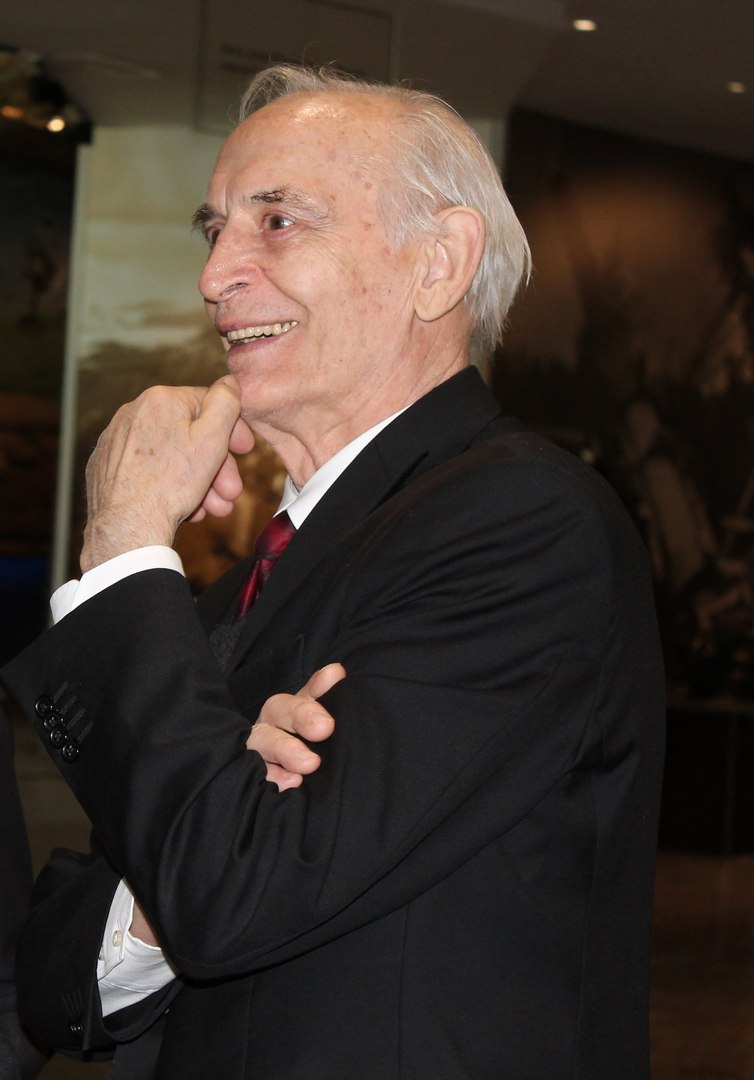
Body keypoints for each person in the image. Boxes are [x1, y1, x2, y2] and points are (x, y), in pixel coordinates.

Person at [0, 64, 665, 1079]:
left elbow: (225, 893)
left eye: (277, 223)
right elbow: (50, 982)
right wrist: (162, 888)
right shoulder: (239, 593)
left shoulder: (524, 524)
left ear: (438, 264)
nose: (214, 275)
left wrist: (125, 546)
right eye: (213, 230)